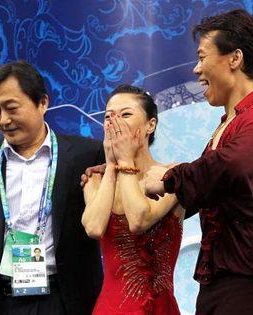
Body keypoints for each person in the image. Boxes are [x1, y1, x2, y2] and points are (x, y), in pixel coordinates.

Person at [144, 9, 253, 315]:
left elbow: (231, 168)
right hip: (218, 290)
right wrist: (118, 170)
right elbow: (195, 189)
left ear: (234, 58)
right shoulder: (228, 126)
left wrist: (169, 177)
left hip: (252, 294)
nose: (196, 69)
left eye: (202, 57)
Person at [0, 60, 104, 315]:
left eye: (12, 108)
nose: (4, 120)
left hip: (62, 300)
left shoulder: (87, 155)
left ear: (43, 103)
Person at [82, 84, 185, 315]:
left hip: (159, 308)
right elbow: (94, 227)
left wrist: (126, 160)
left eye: (125, 115)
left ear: (151, 124)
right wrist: (111, 166)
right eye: (108, 117)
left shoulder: (173, 175)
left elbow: (139, 219)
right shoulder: (95, 178)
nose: (114, 123)